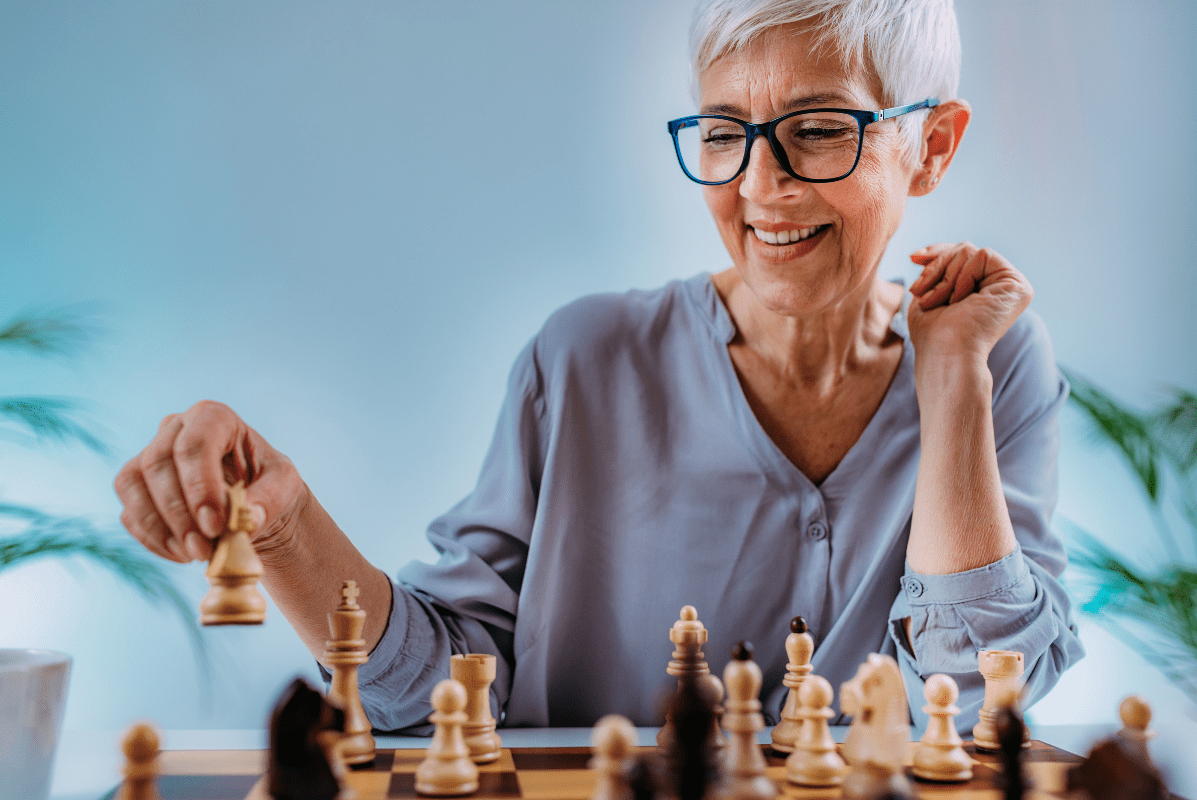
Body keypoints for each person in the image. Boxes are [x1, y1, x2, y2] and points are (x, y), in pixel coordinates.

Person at [114, 0, 1083, 735]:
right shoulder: (580, 363)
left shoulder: (993, 358)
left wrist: (952, 382)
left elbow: (974, 700)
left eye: (819, 128)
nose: (758, 185)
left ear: (933, 146)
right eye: (722, 132)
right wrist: (284, 528)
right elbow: (438, 693)